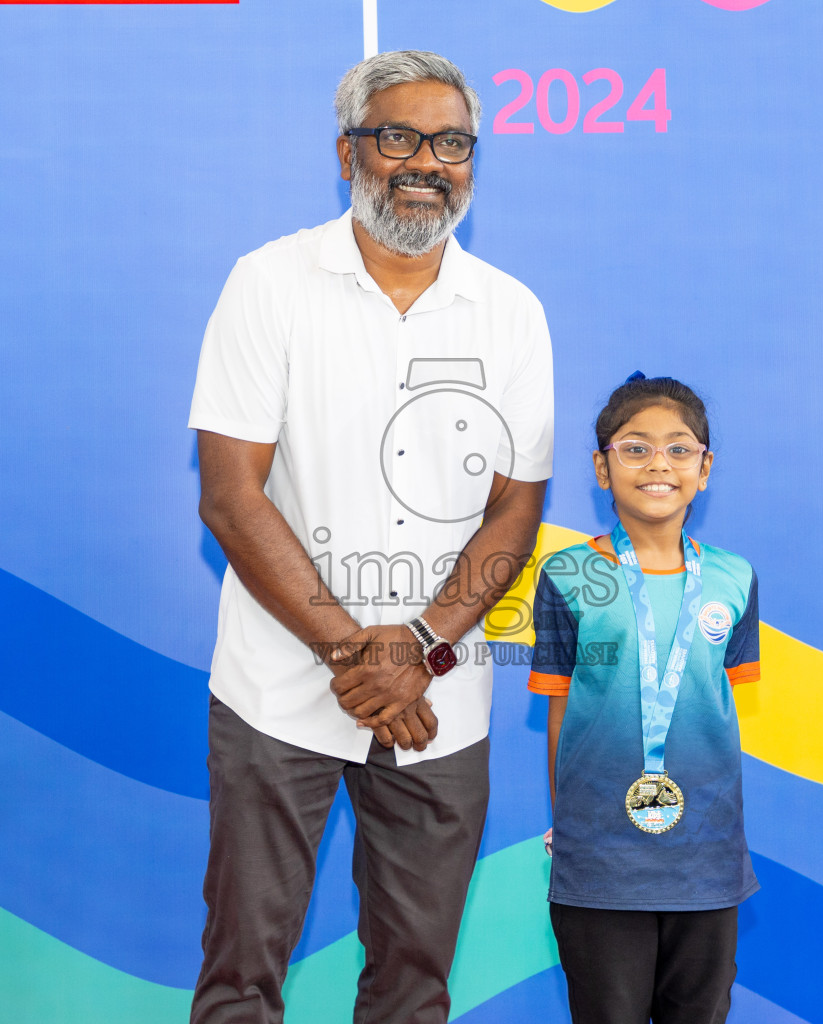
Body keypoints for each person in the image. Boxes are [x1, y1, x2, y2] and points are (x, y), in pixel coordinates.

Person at [186, 50, 554, 1024]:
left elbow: (515, 508)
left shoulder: (512, 313)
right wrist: (362, 655)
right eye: (397, 137)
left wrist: (420, 649)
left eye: (452, 142)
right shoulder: (268, 283)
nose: (425, 162)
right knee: (242, 975)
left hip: (443, 694)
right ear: (348, 151)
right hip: (278, 690)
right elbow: (229, 496)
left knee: (412, 981)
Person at [529, 374, 760, 1024]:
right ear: (602, 468)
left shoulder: (733, 576)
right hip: (602, 860)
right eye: (634, 448)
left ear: (705, 468)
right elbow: (560, 706)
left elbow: (719, 706)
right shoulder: (570, 574)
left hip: (705, 859)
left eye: (678, 449)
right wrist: (570, 832)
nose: (658, 463)